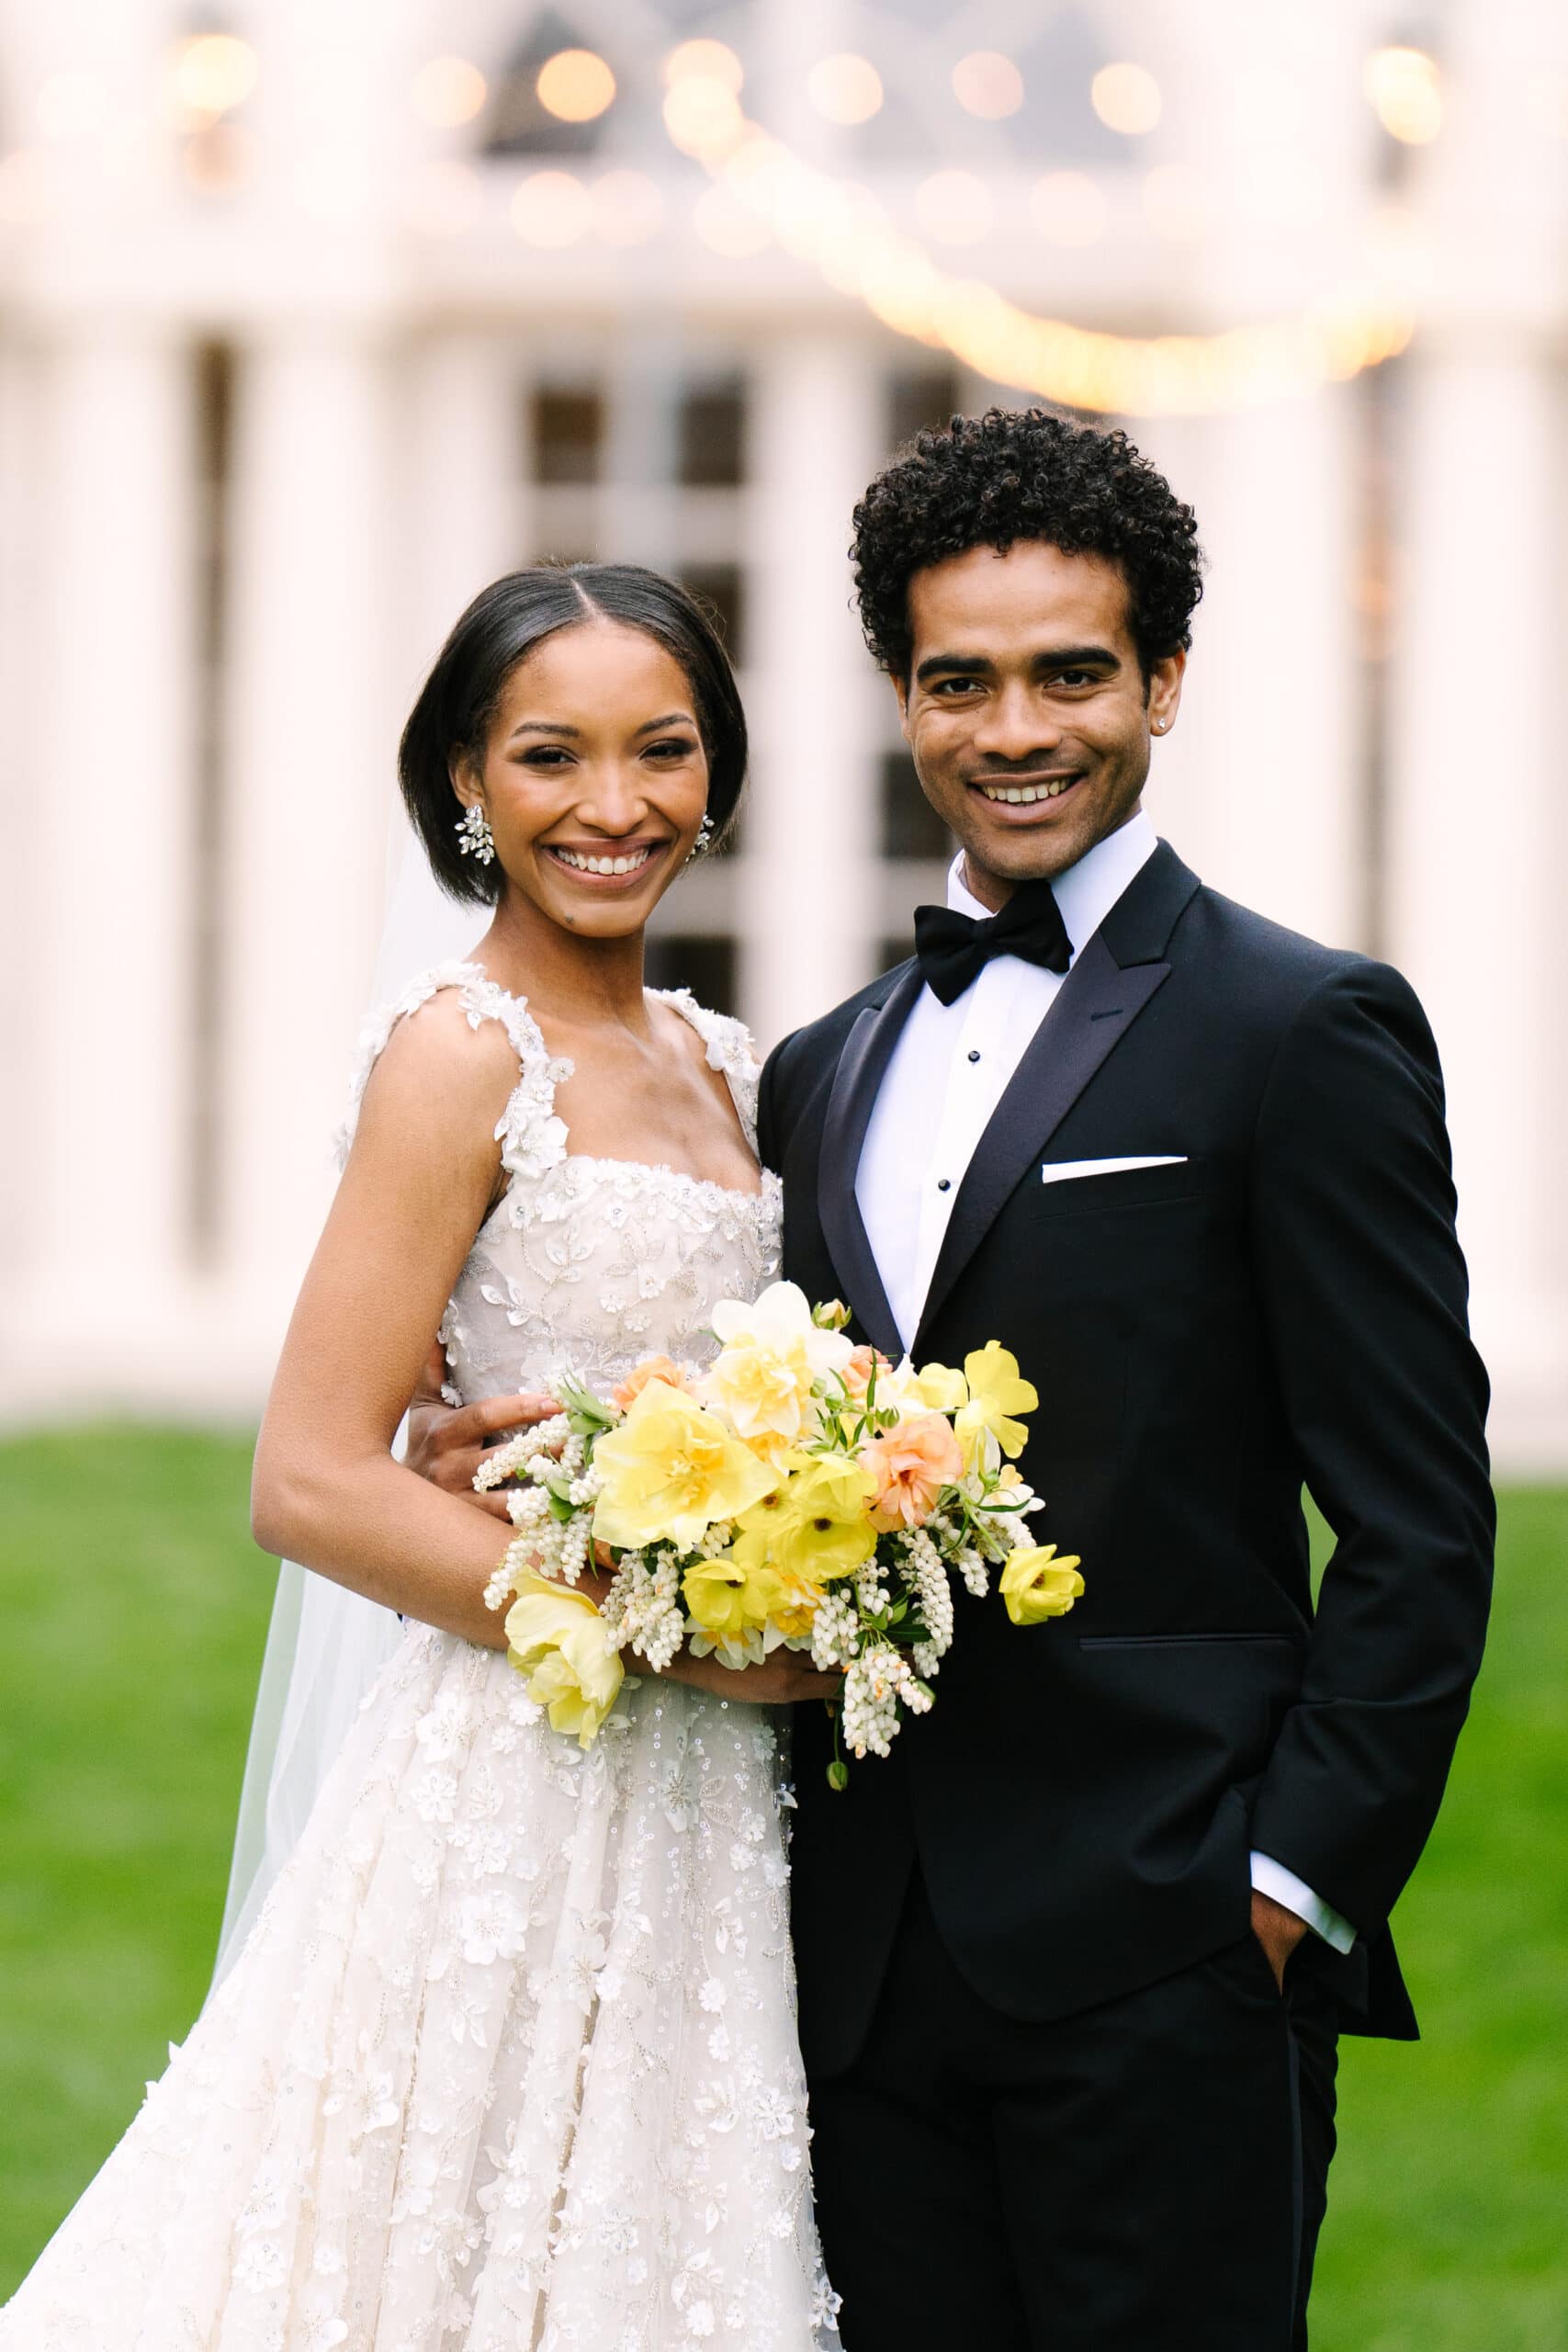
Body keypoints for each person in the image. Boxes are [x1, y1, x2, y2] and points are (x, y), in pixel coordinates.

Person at [0, 565, 841, 2351]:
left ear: (721, 773)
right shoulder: (462, 1055)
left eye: (662, 750)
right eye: (551, 754)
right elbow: (308, 1474)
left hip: (707, 1812)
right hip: (522, 1762)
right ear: (466, 783)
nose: (612, 803)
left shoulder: (726, 1061)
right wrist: (678, 1623)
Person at [761, 409, 1495, 2349]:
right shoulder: (819, 1066)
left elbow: (1416, 1512)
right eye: (959, 679)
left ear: (1160, 676)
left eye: (1068, 672)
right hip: (851, 1959)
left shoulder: (1298, 1025)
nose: (1014, 727)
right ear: (899, 694)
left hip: (1170, 1947)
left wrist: (1283, 1885)